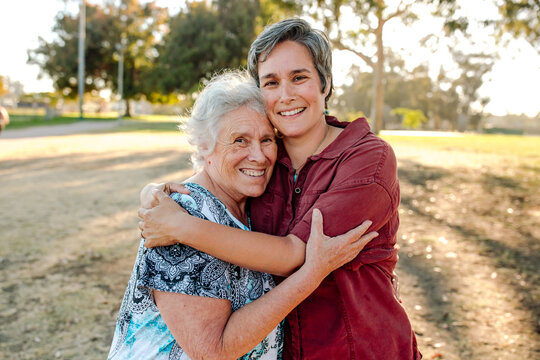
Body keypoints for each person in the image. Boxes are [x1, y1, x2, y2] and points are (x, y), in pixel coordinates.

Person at [139, 19, 421, 359]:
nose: (285, 95)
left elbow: (293, 256)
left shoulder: (367, 159)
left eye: (299, 77)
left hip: (360, 350)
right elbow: (214, 175)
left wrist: (182, 226)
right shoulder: (266, 162)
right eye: (271, 82)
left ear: (325, 83)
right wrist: (156, 195)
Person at [109, 71, 377, 359]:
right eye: (240, 140)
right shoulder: (179, 217)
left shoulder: (254, 207)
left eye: (266, 140)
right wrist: (311, 274)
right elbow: (213, 350)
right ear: (203, 145)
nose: (259, 156)